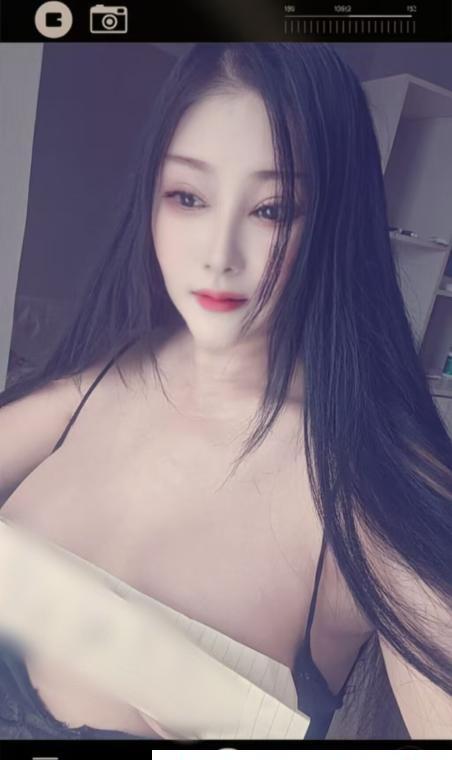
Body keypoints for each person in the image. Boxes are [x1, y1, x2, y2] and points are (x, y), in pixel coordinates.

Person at [0, 42, 451, 741]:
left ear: (332, 224)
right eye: (188, 197)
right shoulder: (113, 368)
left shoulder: (369, 479)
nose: (218, 254)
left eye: (271, 209)